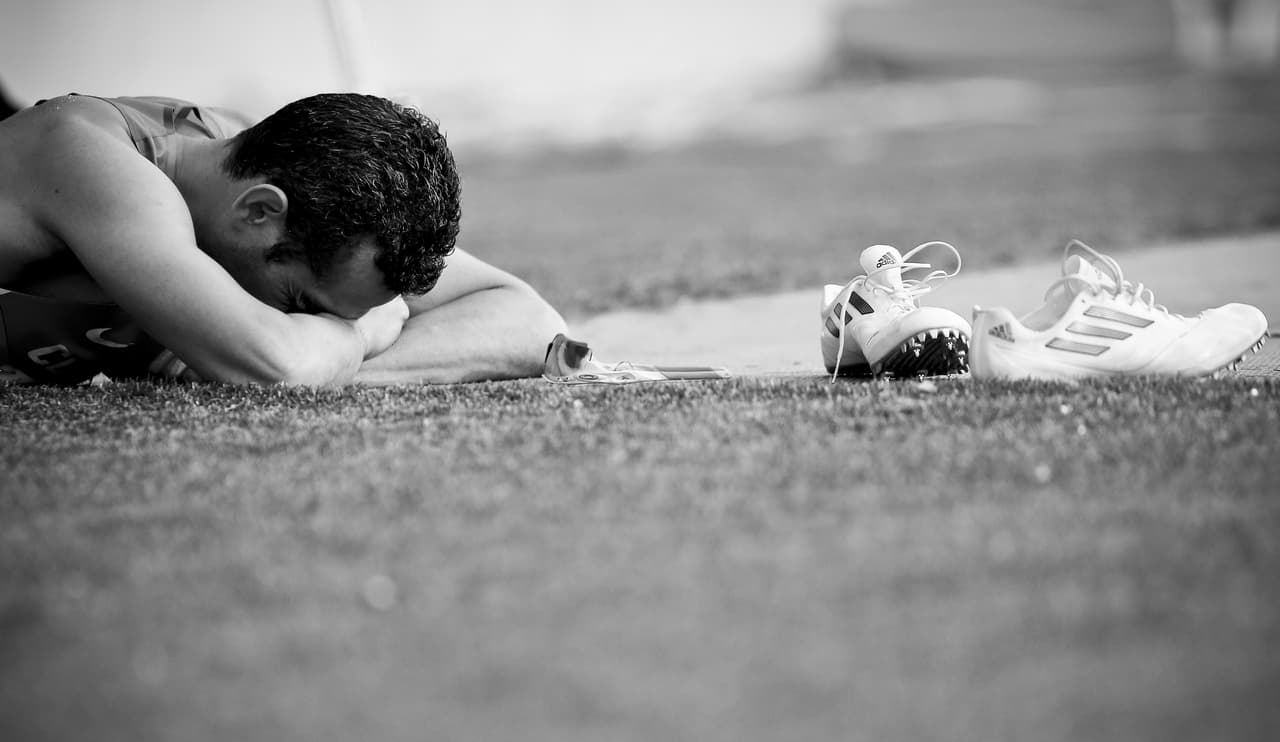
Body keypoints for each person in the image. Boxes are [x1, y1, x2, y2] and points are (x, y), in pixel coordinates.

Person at [0, 92, 566, 386]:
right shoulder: (101, 168)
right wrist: (370, 327)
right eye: (301, 305)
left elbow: (527, 321)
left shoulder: (259, 163)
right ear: (260, 212)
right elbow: (280, 370)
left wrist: (335, 360)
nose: (315, 323)